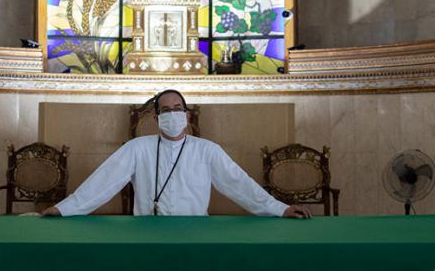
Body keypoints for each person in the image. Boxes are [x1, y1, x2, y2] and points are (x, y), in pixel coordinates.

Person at [42, 89, 309, 218]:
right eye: (165, 110)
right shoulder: (137, 148)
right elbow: (102, 183)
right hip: (147, 235)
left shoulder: (207, 150)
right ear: (157, 118)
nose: (172, 114)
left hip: (195, 235)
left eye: (177, 108)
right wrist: (63, 209)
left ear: (187, 114)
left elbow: (239, 185)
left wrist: (280, 209)